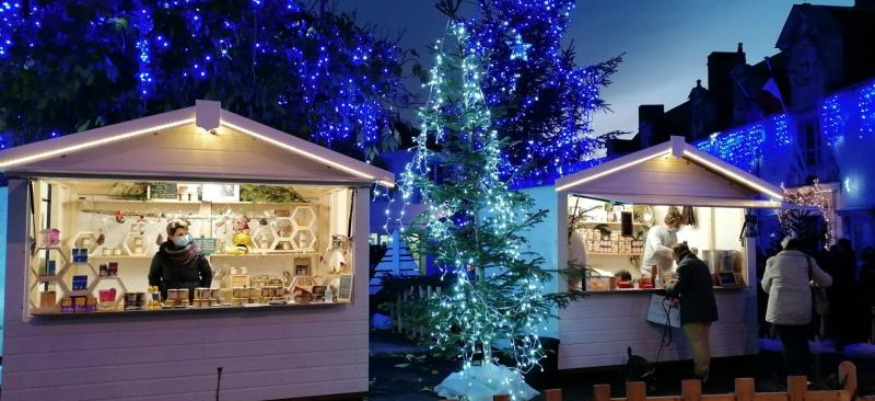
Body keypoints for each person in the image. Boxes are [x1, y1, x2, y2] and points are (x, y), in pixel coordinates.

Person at [762, 238, 832, 377]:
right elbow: (827, 281)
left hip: (780, 310)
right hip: (802, 310)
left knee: (787, 343)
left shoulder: (773, 261)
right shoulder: (807, 260)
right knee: (802, 342)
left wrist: (777, 291)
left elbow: (765, 286)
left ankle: (792, 375)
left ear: (784, 247)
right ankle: (806, 373)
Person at [666, 242, 719, 381]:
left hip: (694, 311)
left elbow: (677, 288)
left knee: (697, 343)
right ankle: (704, 372)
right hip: (707, 309)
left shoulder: (684, 265)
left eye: (673, 257)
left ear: (676, 254)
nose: (674, 260)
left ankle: (700, 373)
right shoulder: (701, 263)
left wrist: (668, 285)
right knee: (703, 342)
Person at [149, 220, 212, 301]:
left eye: (186, 234)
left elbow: (207, 274)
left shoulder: (197, 253)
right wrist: (157, 298)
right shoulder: (162, 255)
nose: (185, 237)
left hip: (192, 300)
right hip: (169, 301)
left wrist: (202, 295)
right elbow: (153, 278)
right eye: (180, 235)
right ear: (171, 237)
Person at [825, 239, 856, 345]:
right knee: (845, 314)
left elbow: (835, 272)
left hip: (838, 290)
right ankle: (846, 336)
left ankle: (838, 337)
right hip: (847, 291)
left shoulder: (839, 258)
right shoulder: (850, 256)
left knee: (837, 314)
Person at [641, 210, 683, 276]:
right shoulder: (656, 230)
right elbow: (657, 248)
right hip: (649, 272)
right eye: (677, 225)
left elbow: (670, 254)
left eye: (679, 225)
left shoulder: (674, 235)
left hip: (665, 272)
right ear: (669, 222)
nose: (678, 227)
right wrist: (675, 252)